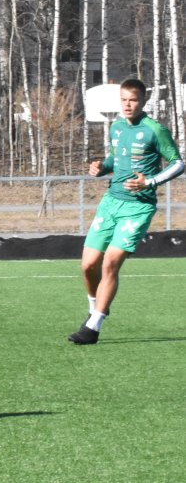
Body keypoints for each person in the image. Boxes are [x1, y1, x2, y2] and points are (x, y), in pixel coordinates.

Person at [69, 77, 184, 344]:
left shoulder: (155, 129)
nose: (127, 105)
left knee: (110, 262)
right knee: (88, 265)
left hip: (138, 207)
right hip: (110, 202)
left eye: (133, 100)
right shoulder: (117, 127)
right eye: (123, 100)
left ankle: (93, 328)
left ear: (143, 101)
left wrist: (150, 182)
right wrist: (101, 167)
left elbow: (178, 163)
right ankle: (95, 308)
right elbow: (116, 159)